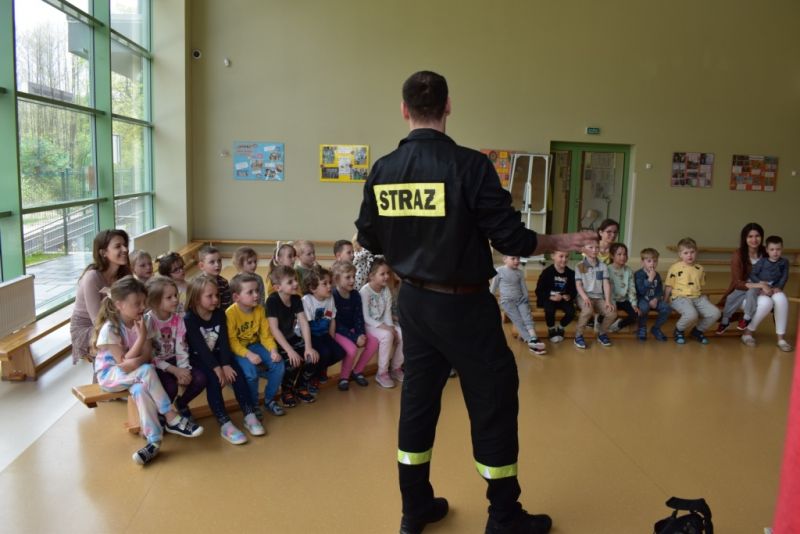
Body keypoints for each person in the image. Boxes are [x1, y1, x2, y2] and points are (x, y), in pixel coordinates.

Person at [355, 70, 596, 534]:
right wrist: (561, 239)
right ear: (448, 106)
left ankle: (415, 508)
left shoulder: (383, 170)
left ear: (404, 110)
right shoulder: (470, 166)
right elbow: (511, 239)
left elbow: (370, 237)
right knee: (493, 402)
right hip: (463, 307)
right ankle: (503, 516)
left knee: (418, 402)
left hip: (414, 305)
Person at [92, 276, 203, 465]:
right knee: (146, 370)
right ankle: (170, 416)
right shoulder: (110, 329)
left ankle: (154, 442)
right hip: (110, 376)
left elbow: (146, 355)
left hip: (134, 374)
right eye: (137, 304)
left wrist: (137, 357)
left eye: (144, 302)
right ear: (119, 305)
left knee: (140, 389)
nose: (143, 307)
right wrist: (142, 338)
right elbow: (123, 363)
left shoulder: (143, 320)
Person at [184, 275, 261, 445]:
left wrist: (225, 364)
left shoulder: (219, 314)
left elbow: (225, 341)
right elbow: (200, 348)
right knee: (214, 380)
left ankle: (249, 414)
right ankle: (224, 422)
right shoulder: (189, 319)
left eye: (217, 295)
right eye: (209, 296)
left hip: (219, 355)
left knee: (237, 374)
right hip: (200, 359)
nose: (215, 299)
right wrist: (217, 368)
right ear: (196, 299)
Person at [144, 276, 207, 421]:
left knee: (200, 379)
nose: (175, 300)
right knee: (170, 388)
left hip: (176, 359)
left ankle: (182, 403)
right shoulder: (148, 321)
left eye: (175, 295)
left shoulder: (178, 319)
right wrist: (174, 370)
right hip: (157, 365)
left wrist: (183, 370)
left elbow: (181, 346)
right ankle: (161, 413)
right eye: (169, 297)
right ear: (155, 302)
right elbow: (150, 356)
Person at [225, 273, 285, 421]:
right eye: (250, 292)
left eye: (257, 290)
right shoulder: (230, 314)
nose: (256, 295)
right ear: (236, 297)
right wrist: (248, 355)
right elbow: (232, 341)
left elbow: (266, 336)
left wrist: (273, 350)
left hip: (255, 345)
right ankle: (253, 405)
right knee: (251, 373)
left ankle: (269, 400)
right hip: (239, 350)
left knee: (278, 365)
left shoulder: (260, 310)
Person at [70, 229, 132, 367]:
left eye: (125, 245)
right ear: (103, 252)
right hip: (88, 327)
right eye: (118, 246)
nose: (125, 249)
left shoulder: (124, 274)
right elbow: (97, 321)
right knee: (116, 338)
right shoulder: (92, 277)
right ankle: (104, 376)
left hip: (114, 321)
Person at [266, 265, 319, 407]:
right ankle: (286, 391)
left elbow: (303, 323)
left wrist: (308, 347)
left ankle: (300, 387)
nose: (295, 283)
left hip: (291, 337)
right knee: (293, 362)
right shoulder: (272, 301)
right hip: (276, 342)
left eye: (295, 279)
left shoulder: (296, 299)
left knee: (312, 358)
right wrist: (290, 351)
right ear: (278, 287)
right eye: (290, 282)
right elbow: (274, 329)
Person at [331, 260, 378, 391]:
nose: (352, 280)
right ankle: (344, 377)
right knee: (351, 350)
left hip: (353, 329)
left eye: (353, 276)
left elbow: (359, 317)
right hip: (339, 331)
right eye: (348, 277)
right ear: (337, 279)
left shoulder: (355, 294)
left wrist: (361, 333)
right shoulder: (333, 296)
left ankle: (357, 371)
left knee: (373, 342)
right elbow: (337, 324)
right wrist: (354, 338)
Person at [664, 237, 721, 344]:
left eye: (692, 252)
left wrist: (704, 300)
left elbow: (699, 286)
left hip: (697, 297)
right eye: (686, 253)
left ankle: (697, 331)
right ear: (680, 254)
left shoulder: (700, 269)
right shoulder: (674, 268)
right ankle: (679, 330)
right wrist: (665, 300)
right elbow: (669, 285)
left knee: (715, 313)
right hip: (679, 298)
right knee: (692, 314)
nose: (689, 255)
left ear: (696, 252)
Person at [740, 235, 792, 351]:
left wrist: (779, 287)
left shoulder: (784, 262)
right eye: (772, 249)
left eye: (778, 249)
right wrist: (760, 285)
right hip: (761, 289)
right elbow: (752, 274)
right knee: (766, 303)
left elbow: (784, 276)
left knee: (782, 299)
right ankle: (748, 333)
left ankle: (781, 339)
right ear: (767, 250)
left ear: (782, 249)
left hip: (775, 288)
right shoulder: (762, 261)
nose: (775, 252)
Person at [360, 257, 405, 388]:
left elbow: (387, 314)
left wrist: (391, 327)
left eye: (388, 273)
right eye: (382, 274)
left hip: (382, 323)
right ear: (372, 276)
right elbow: (366, 317)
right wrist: (388, 329)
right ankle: (382, 373)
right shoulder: (365, 291)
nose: (386, 276)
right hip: (369, 324)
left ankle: (396, 368)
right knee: (387, 335)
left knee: (402, 333)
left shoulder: (386, 290)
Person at [490, 255, 546, 355]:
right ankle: (531, 341)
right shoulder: (499, 271)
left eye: (518, 258)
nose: (517, 261)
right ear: (505, 259)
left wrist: (526, 297)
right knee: (518, 320)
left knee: (527, 317)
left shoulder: (520, 272)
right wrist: (489, 300)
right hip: (507, 302)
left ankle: (533, 337)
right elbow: (493, 288)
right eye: (513, 258)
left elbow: (523, 287)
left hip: (521, 300)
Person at [301, 268, 346, 393]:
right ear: (313, 288)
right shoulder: (307, 300)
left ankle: (321, 369)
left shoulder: (330, 298)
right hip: (310, 335)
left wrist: (331, 338)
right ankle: (313, 377)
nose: (329, 286)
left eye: (330, 282)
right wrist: (308, 346)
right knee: (324, 353)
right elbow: (305, 326)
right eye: (324, 284)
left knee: (340, 353)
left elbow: (332, 319)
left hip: (324, 334)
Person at [716, 222, 766, 333]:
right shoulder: (738, 254)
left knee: (751, 292)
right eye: (750, 236)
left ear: (762, 237)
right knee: (730, 297)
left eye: (757, 236)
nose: (754, 239)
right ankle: (725, 321)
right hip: (743, 286)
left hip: (759, 288)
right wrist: (756, 285)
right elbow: (737, 282)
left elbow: (775, 270)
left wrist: (766, 285)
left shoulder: (766, 252)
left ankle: (746, 319)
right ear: (744, 238)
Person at [574, 241, 617, 349]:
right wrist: (585, 298)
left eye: (597, 247)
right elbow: (578, 285)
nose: (594, 250)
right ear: (583, 249)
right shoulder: (580, 265)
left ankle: (602, 333)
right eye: (591, 247)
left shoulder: (603, 266)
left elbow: (606, 284)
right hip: (584, 296)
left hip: (598, 297)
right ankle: (578, 336)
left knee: (612, 313)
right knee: (587, 311)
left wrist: (608, 301)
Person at [534, 250, 576, 343]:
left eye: (566, 256)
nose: (564, 259)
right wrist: (550, 297)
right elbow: (539, 291)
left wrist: (569, 296)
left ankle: (561, 327)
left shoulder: (571, 273)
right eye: (561, 256)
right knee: (549, 310)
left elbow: (574, 290)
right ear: (553, 256)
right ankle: (551, 329)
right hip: (549, 298)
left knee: (571, 312)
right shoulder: (546, 272)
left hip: (563, 299)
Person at [634, 248, 670, 341]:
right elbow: (640, 291)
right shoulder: (639, 274)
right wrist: (650, 279)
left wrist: (656, 299)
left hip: (654, 299)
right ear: (642, 262)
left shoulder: (657, 275)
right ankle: (642, 327)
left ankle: (656, 328)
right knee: (644, 308)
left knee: (666, 307)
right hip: (642, 299)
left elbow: (659, 290)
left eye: (655, 261)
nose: (652, 264)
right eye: (649, 261)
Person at [607, 243, 639, 333]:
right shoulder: (607, 270)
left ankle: (618, 325)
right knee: (608, 312)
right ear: (612, 256)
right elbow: (606, 289)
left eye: (625, 254)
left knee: (635, 314)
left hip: (624, 300)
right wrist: (610, 303)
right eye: (619, 254)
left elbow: (632, 288)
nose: (623, 257)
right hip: (610, 299)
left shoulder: (628, 271)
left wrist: (634, 303)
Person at [197, 245, 231, 309]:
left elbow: (227, 305)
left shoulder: (224, 282)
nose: (217, 264)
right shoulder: (197, 284)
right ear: (201, 266)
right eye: (212, 262)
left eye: (219, 261)